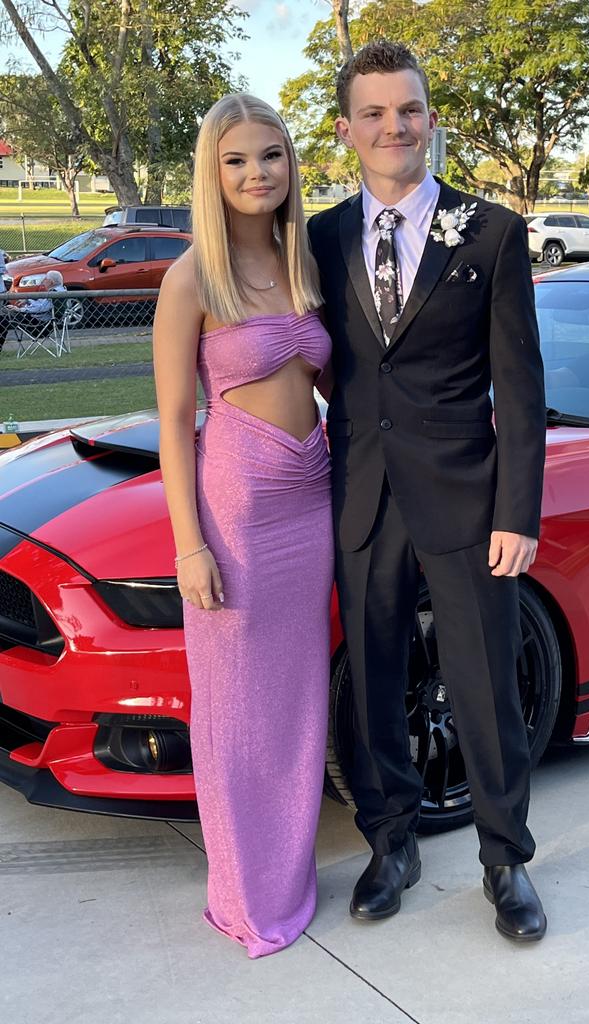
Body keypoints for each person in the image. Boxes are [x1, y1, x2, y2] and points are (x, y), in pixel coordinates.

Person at [307, 41, 548, 943]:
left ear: (429, 119)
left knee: (482, 684)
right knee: (372, 682)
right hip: (361, 496)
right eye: (372, 113)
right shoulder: (320, 237)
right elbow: (323, 362)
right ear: (346, 129)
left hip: (467, 499)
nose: (392, 126)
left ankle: (505, 859)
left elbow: (519, 386)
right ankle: (391, 842)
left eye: (407, 109)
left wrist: (517, 511)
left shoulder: (490, 231)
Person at [153, 94, 332, 958]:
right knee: (235, 710)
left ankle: (289, 878)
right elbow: (173, 422)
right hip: (239, 513)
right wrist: (189, 543)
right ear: (210, 173)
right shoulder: (192, 277)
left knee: (298, 703)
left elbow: (338, 380)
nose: (256, 173)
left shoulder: (307, 263)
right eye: (235, 160)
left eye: (271, 155)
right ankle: (246, 895)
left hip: (314, 499)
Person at [3, 270, 66, 350]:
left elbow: (41, 308)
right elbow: (42, 304)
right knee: (7, 313)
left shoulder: (54, 293)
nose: (43, 281)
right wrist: (28, 300)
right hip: (48, 323)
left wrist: (20, 309)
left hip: (39, 324)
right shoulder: (61, 291)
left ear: (51, 282)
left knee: (5, 316)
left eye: (45, 279)